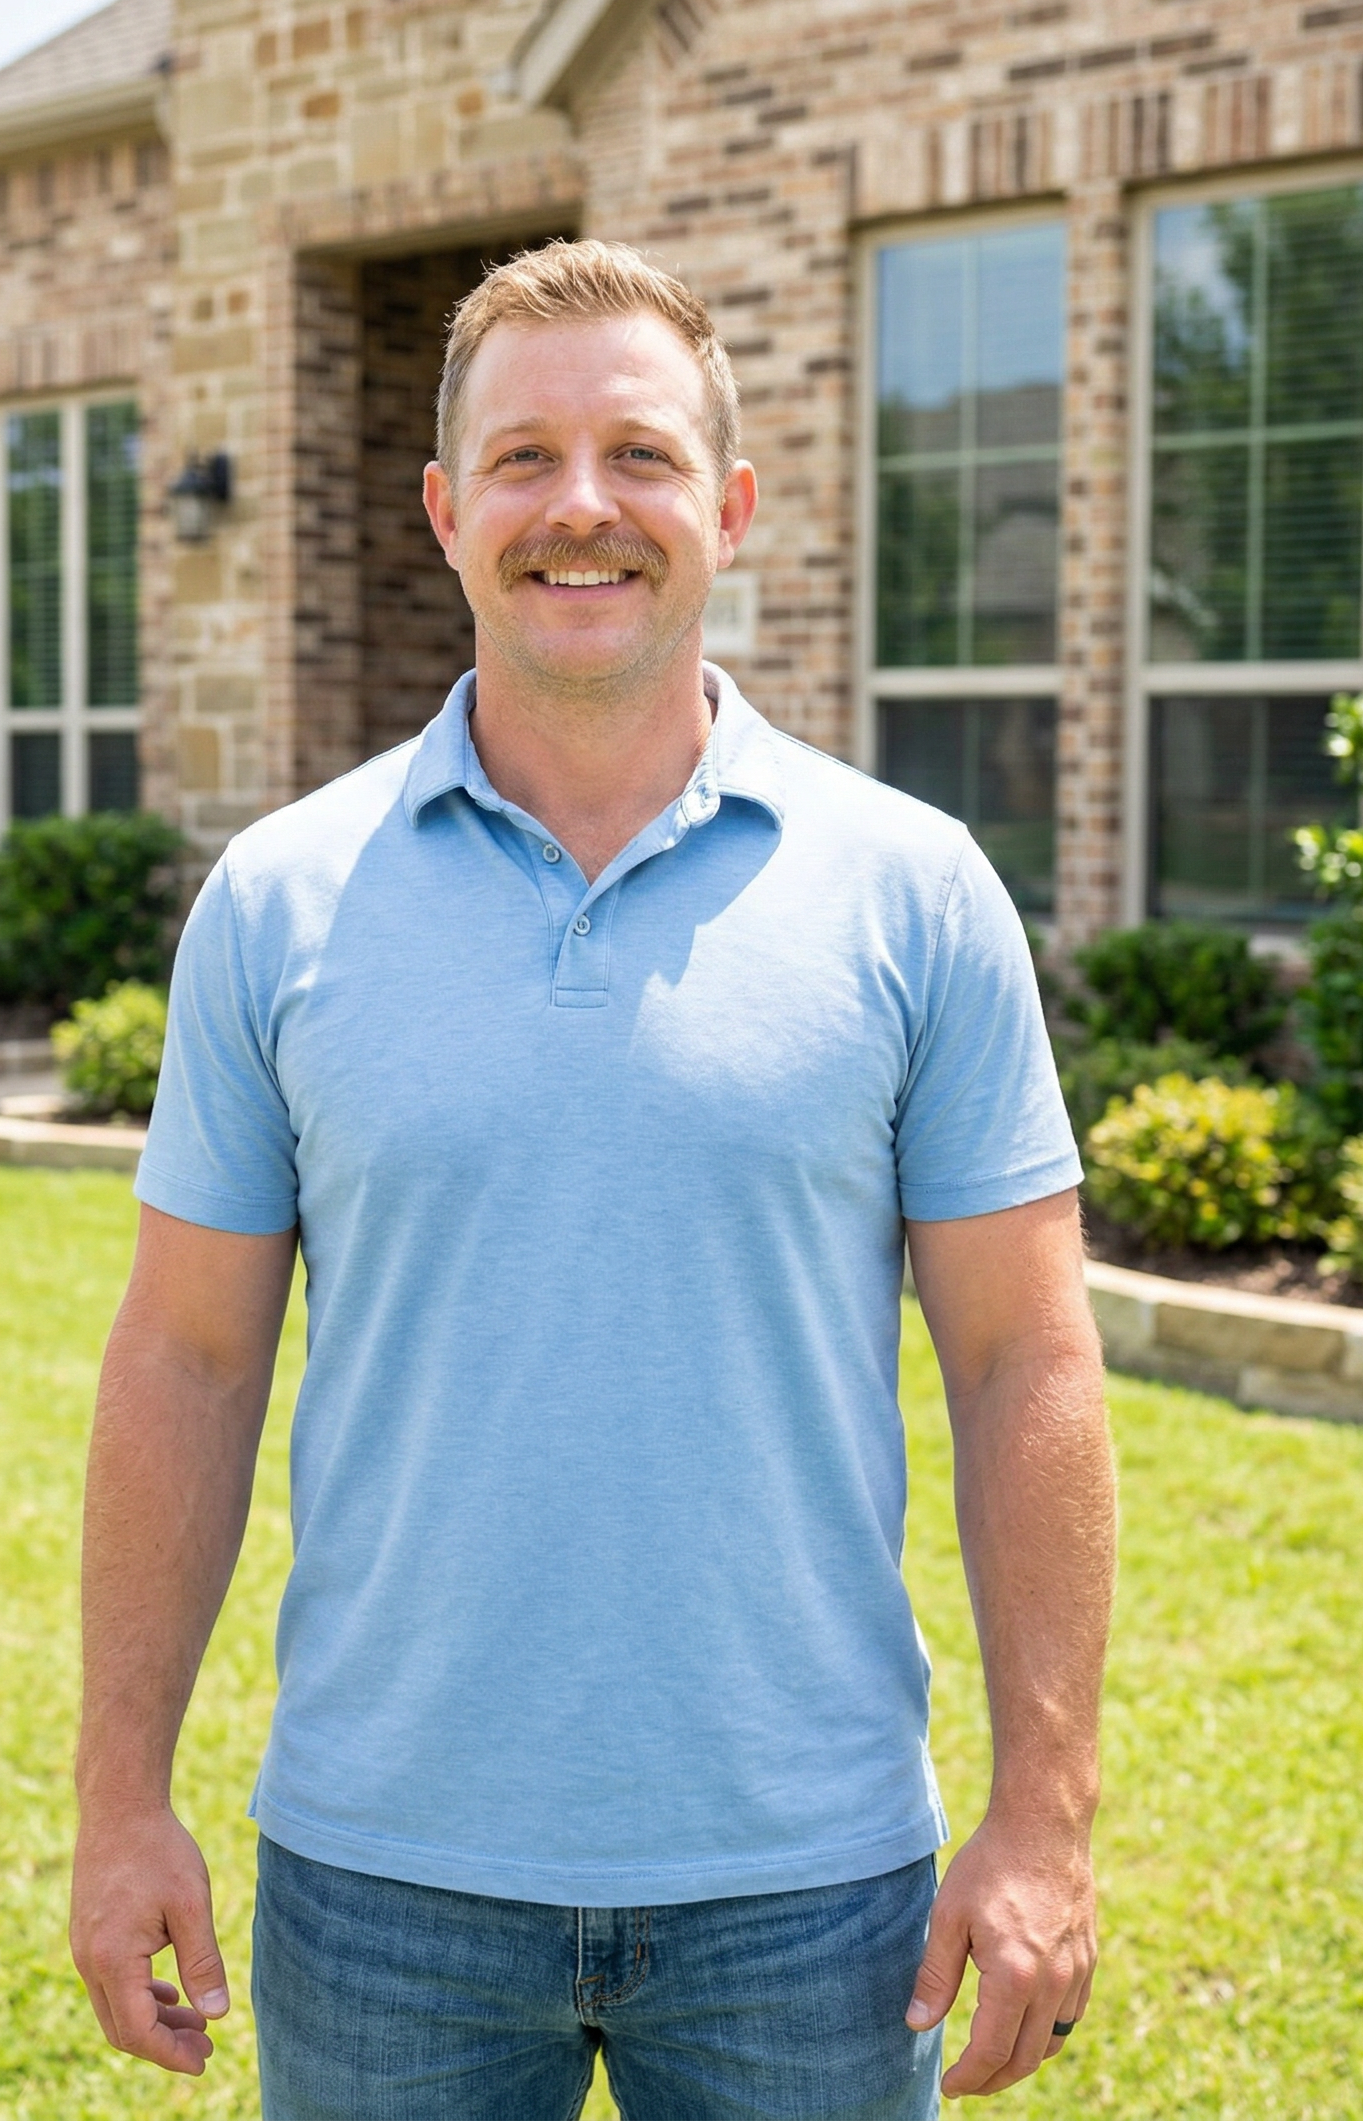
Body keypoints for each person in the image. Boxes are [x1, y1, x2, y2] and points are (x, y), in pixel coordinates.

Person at [70, 239, 1116, 2120]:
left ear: (722, 507)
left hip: (811, 1889)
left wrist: (1044, 1815)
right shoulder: (280, 899)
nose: (581, 508)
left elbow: (1025, 1363)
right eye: (526, 457)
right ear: (445, 509)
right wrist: (117, 1796)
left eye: (637, 455)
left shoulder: (914, 889)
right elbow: (187, 1363)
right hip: (382, 1882)